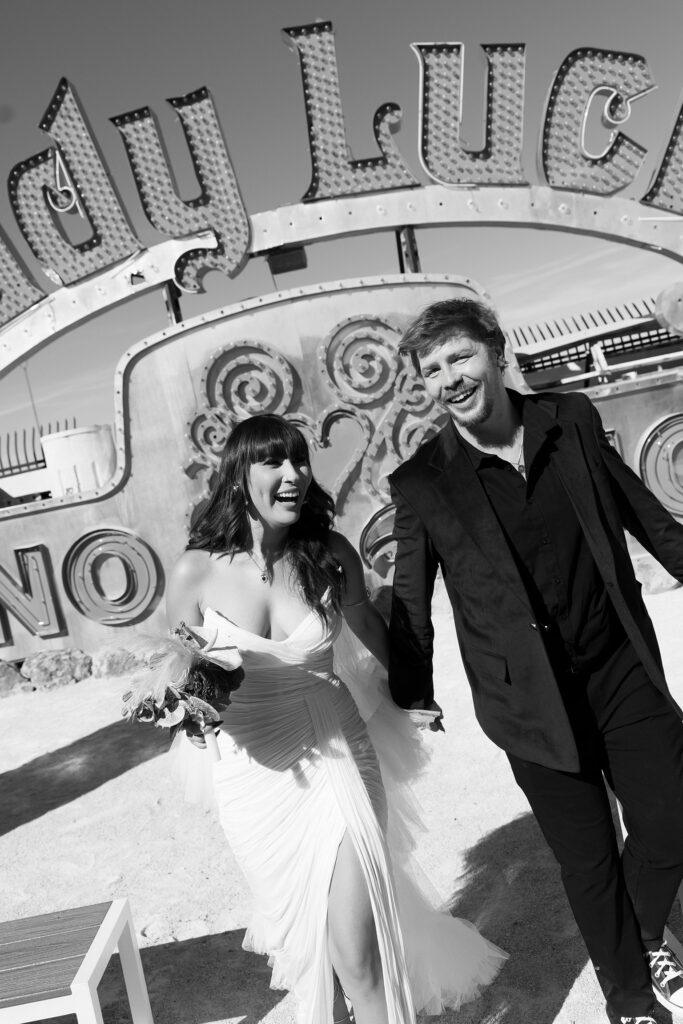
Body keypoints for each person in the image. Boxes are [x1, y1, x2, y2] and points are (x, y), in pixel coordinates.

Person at [387, 295, 683, 1024]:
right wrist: (411, 686)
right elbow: (409, 595)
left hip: (618, 667)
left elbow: (640, 510)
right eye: (430, 370)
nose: (447, 378)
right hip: (527, 700)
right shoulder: (423, 483)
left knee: (672, 815)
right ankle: (629, 998)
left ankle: (643, 932)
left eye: (458, 357)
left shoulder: (567, 422)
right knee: (586, 860)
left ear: (494, 351)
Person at [165, 413, 505, 1024]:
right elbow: (182, 672)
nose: (294, 473)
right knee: (310, 952)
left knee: (357, 958)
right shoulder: (195, 570)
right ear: (239, 477)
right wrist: (186, 704)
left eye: (299, 460)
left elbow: (373, 630)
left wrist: (414, 688)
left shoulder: (327, 554)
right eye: (275, 461)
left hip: (340, 759)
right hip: (254, 782)